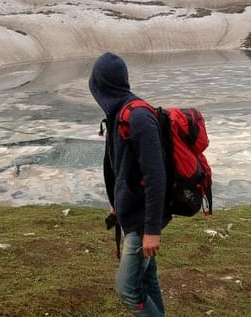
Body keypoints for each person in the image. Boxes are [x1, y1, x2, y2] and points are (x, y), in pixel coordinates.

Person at [89, 52, 171, 317]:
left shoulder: (137, 117)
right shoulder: (118, 114)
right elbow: (121, 167)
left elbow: (156, 176)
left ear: (101, 86)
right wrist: (116, 203)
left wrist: (152, 230)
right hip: (132, 214)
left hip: (141, 221)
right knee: (147, 280)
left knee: (128, 290)